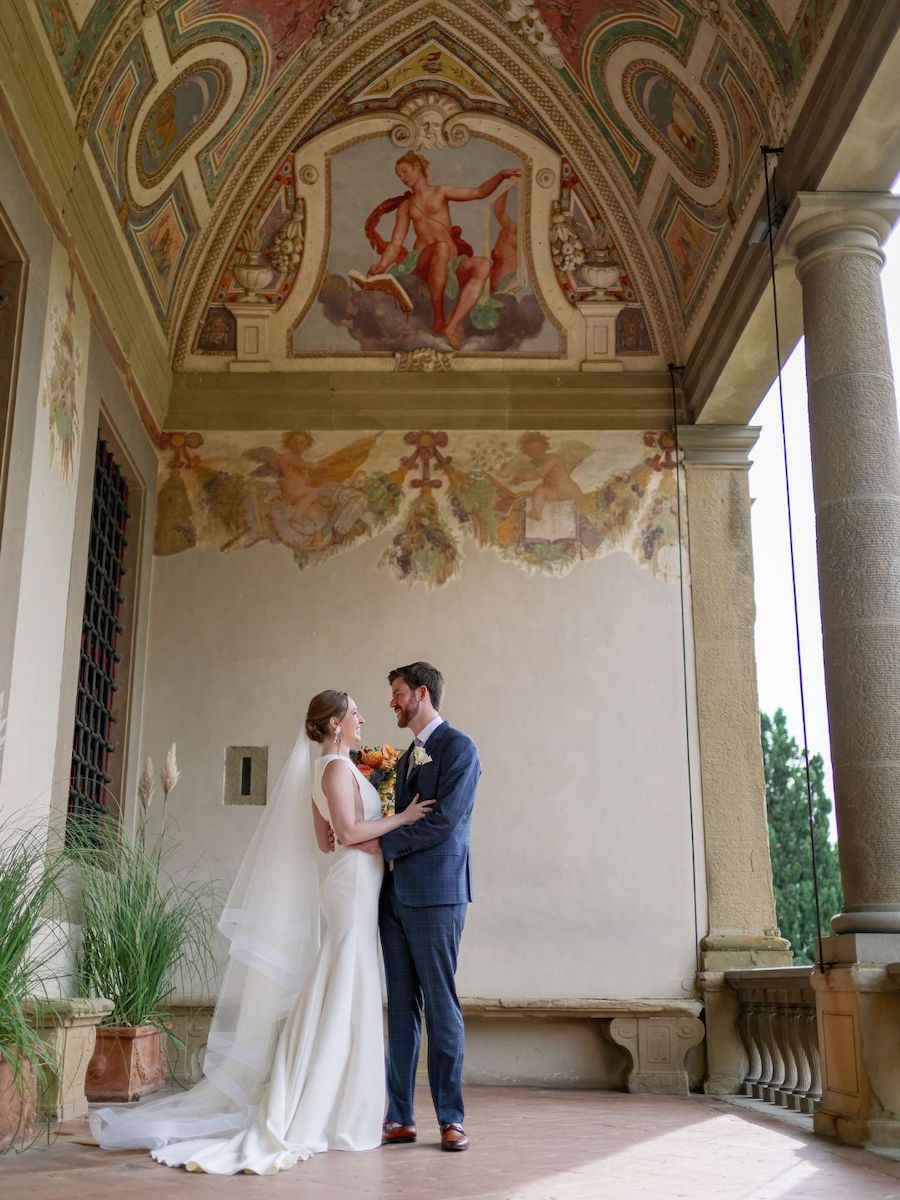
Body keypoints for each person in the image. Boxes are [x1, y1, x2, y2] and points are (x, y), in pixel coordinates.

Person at [89, 690, 433, 1175]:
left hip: (352, 883)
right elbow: (348, 834)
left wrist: (366, 832)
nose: (362, 719)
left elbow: (325, 839)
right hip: (351, 890)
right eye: (354, 712)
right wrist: (402, 817)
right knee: (344, 980)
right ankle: (326, 1107)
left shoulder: (332, 770)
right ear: (335, 724)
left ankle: (332, 1099)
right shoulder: (334, 769)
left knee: (342, 981)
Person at [377, 662, 482, 1152]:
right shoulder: (403, 760)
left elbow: (444, 823)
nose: (393, 702)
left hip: (438, 895)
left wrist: (383, 845)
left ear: (422, 693)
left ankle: (451, 1119)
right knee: (401, 1008)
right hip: (393, 899)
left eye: (398, 693)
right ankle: (398, 1116)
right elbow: (402, 816)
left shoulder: (459, 748)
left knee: (441, 1005)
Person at [368, 151, 520, 350]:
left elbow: (479, 192)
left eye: (405, 171)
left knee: (482, 264)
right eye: (400, 175)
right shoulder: (406, 206)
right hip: (421, 261)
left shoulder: (441, 192)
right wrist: (382, 265)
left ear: (417, 168)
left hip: (451, 262)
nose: (403, 178)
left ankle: (452, 325)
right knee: (441, 248)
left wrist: (501, 175)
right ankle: (438, 317)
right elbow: (396, 242)